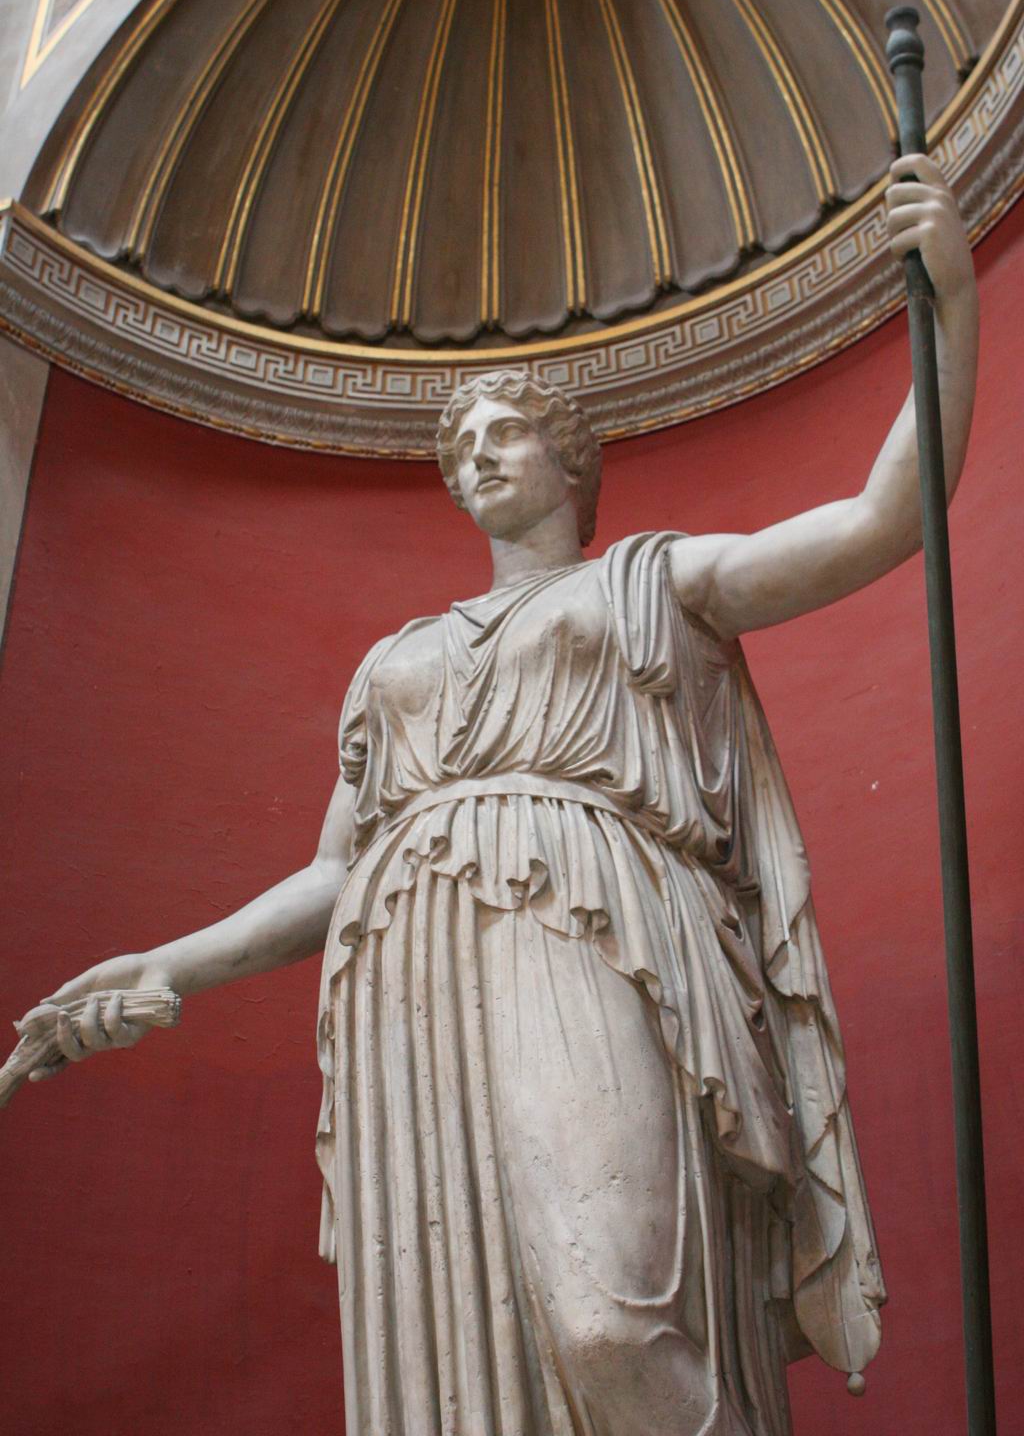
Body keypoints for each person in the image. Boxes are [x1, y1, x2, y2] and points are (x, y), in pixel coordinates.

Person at [22, 154, 977, 1436]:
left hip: (593, 931)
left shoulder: (653, 581)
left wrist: (949, 301)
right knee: (460, 1363)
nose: (475, 456)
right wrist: (168, 965)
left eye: (503, 432)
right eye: (458, 446)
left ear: (568, 458)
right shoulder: (395, 661)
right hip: (408, 976)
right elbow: (332, 874)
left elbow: (877, 520)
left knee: (606, 1319)